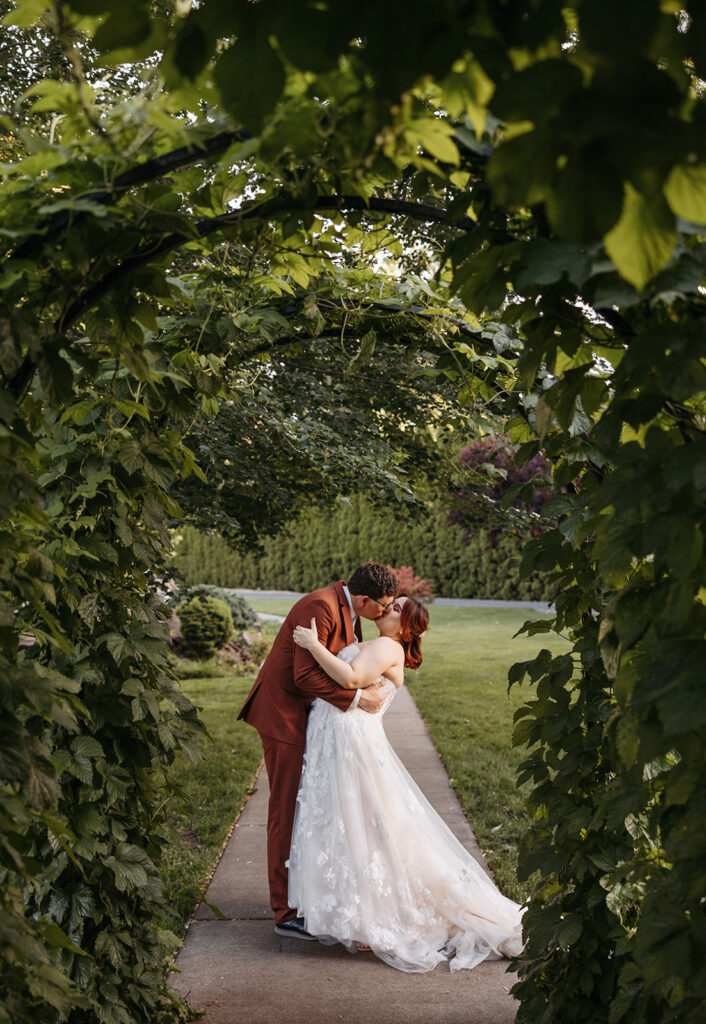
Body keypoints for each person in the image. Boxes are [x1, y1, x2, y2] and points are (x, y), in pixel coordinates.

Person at [288, 595, 525, 972]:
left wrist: (313, 645)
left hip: (351, 744)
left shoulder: (386, 646)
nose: (388, 609)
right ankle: (356, 910)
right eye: (391, 603)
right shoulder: (369, 639)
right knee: (351, 823)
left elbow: (350, 679)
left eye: (397, 609)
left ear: (406, 628)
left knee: (365, 824)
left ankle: (374, 914)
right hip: (341, 739)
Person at [237, 563, 400, 939]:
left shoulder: (348, 610)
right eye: (383, 605)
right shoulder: (320, 607)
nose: (384, 612)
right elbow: (304, 675)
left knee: (304, 806)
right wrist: (359, 699)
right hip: (282, 716)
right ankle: (285, 912)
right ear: (363, 599)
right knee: (285, 807)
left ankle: (304, 893)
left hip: (307, 715)